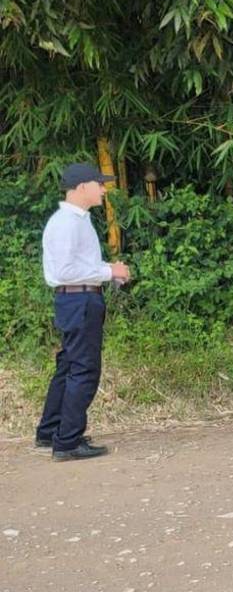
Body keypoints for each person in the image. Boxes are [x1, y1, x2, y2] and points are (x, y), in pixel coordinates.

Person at [36, 163, 131, 461]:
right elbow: (65, 270)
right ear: (80, 188)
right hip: (79, 302)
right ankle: (67, 442)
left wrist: (107, 274)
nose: (103, 189)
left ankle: (51, 431)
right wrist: (108, 270)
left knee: (68, 366)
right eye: (98, 183)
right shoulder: (67, 223)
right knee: (84, 369)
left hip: (75, 300)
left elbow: (75, 267)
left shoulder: (75, 219)